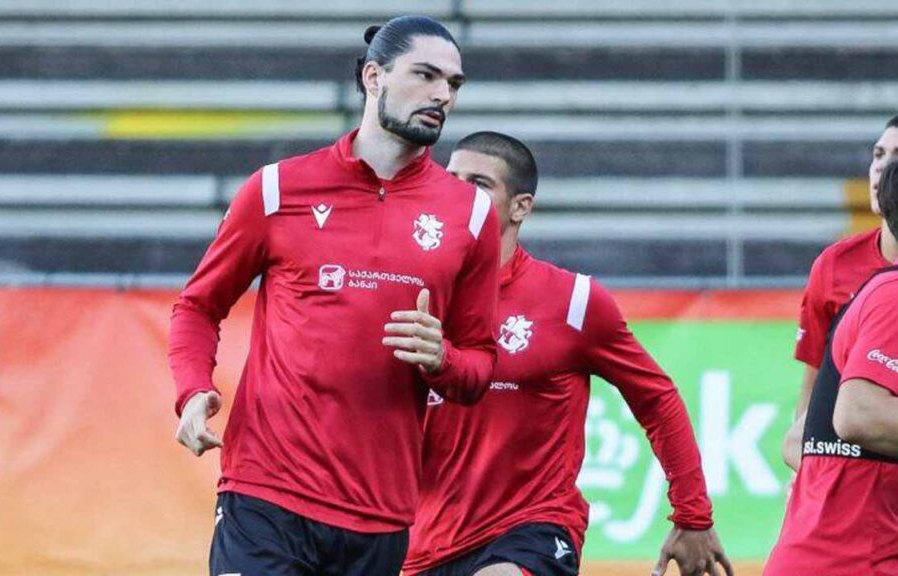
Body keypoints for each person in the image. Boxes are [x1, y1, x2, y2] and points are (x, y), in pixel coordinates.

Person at [167, 16, 500, 576]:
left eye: (454, 84)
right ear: (374, 76)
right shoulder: (277, 189)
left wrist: (442, 360)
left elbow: (480, 367)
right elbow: (197, 307)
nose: (442, 94)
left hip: (379, 512)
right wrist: (192, 390)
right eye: (425, 75)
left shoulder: (469, 215)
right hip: (266, 494)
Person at [404, 132, 732, 576]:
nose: (458, 194)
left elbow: (656, 399)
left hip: (530, 530)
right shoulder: (409, 292)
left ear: (521, 206)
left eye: (479, 183)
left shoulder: (573, 301)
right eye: (451, 179)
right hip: (420, 541)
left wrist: (692, 515)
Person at [764, 160, 898, 575]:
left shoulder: (879, 289)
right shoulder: (893, 294)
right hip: (852, 563)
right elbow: (857, 415)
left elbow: (801, 435)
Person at [783, 115, 898, 471]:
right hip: (859, 487)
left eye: (896, 158)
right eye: (878, 155)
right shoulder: (836, 266)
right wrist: (814, 481)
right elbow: (809, 415)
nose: (882, 168)